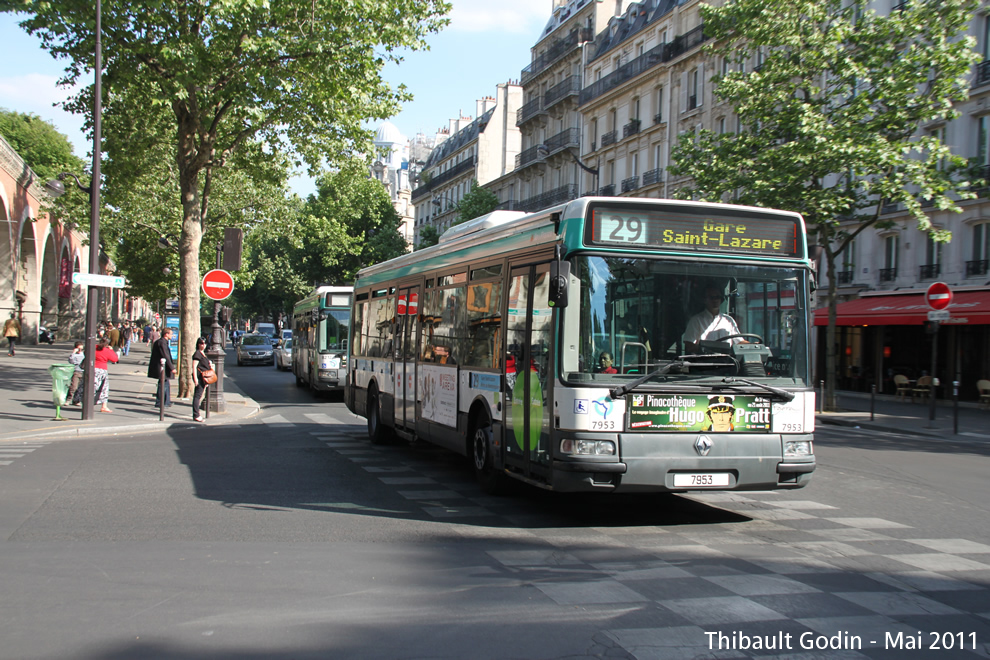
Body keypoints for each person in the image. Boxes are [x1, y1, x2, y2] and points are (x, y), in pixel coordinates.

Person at [683, 284, 743, 353]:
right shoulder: (696, 320)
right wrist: (704, 349)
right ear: (704, 300)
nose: (715, 300)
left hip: (727, 362)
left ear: (721, 299)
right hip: (704, 361)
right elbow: (689, 344)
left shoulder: (729, 320)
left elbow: (740, 342)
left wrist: (754, 345)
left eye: (717, 297)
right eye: (711, 297)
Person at [148, 327, 176, 408]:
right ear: (166, 334)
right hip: (161, 367)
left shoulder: (163, 342)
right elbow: (165, 355)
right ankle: (160, 402)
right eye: (171, 334)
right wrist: (172, 367)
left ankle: (166, 401)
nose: (172, 335)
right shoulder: (162, 343)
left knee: (165, 383)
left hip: (162, 367)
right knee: (163, 384)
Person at [93, 337, 119, 413]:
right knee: (103, 388)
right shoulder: (107, 350)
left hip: (92, 368)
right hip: (102, 369)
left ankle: (87, 403)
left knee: (91, 387)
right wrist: (111, 350)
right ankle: (104, 406)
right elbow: (115, 359)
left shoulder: (94, 347)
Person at [191, 337, 212, 422]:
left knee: (199, 395)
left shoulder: (203, 353)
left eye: (204, 343)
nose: (203, 345)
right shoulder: (197, 354)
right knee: (197, 396)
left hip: (204, 378)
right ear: (198, 344)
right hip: (200, 378)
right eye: (201, 343)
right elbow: (194, 367)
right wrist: (195, 379)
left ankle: (197, 414)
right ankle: (196, 414)